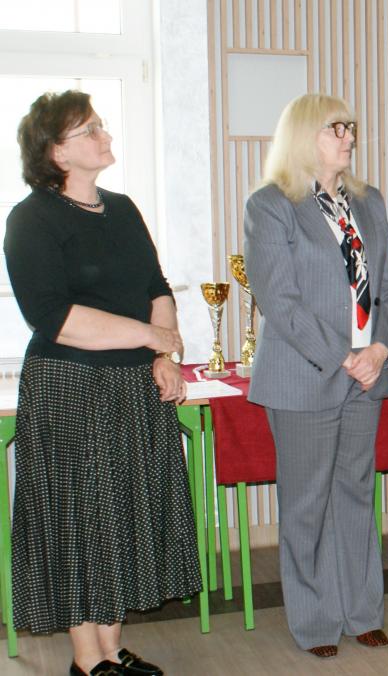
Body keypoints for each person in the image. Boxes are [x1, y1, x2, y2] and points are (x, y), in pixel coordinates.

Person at [3, 90, 200, 676]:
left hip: (133, 385)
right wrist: (152, 337)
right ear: (57, 152)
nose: (105, 135)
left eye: (101, 125)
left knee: (123, 516)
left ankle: (112, 649)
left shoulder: (123, 208)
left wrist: (163, 355)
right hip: (70, 387)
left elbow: (156, 287)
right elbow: (55, 318)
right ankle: (87, 660)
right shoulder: (30, 219)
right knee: (80, 522)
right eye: (89, 129)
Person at [243, 93, 388, 658]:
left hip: (366, 374)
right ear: (303, 135)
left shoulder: (368, 201)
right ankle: (315, 622)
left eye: (350, 128)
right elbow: (280, 300)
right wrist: (345, 355)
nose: (349, 137)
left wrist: (380, 349)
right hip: (305, 374)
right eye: (336, 128)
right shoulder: (271, 205)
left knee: (356, 496)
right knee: (307, 503)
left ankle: (361, 612)